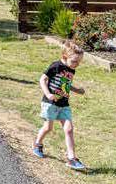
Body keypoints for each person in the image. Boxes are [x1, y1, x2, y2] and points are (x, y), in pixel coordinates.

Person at [33, 39, 87, 171]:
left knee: (69, 129)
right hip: (50, 103)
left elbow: (66, 84)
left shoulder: (71, 70)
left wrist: (76, 90)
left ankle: (72, 158)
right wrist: (48, 94)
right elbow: (42, 79)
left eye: (79, 62)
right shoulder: (56, 66)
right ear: (65, 56)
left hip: (64, 104)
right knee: (48, 128)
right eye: (74, 61)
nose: (76, 64)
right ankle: (37, 144)